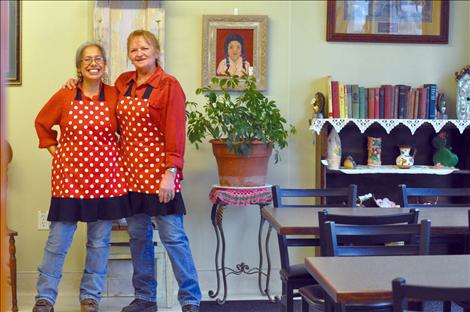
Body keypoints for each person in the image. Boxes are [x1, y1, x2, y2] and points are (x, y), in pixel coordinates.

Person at [66, 30, 201, 312]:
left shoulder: (168, 85)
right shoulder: (123, 82)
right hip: (129, 176)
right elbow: (97, 96)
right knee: (138, 238)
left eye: (145, 48)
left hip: (161, 176)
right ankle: (145, 298)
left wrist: (170, 173)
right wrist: (74, 84)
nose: (139, 53)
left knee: (174, 238)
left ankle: (190, 300)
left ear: (156, 51)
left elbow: (175, 132)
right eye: (134, 49)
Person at [33, 42, 130, 312]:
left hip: (107, 181)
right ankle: (45, 298)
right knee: (58, 241)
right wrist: (57, 151)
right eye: (87, 59)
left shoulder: (114, 95)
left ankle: (90, 298)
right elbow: (42, 123)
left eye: (98, 59)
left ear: (105, 64)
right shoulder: (65, 95)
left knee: (99, 243)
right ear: (79, 66)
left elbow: (131, 126)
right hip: (70, 181)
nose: (93, 63)